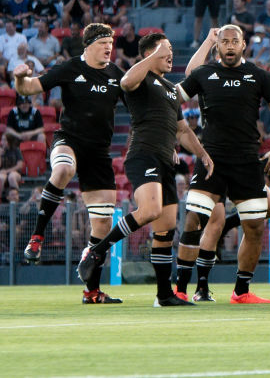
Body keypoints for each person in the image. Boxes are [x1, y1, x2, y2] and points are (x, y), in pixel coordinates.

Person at [77, 32, 212, 307]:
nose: (171, 54)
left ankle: (164, 295)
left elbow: (183, 130)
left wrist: (202, 154)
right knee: (150, 211)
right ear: (151, 52)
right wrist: (151, 57)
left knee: (165, 230)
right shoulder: (140, 78)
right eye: (167, 48)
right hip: (143, 155)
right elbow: (126, 82)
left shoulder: (172, 89)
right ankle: (95, 253)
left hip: (165, 161)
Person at [173, 26, 270, 303]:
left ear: (243, 46)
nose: (229, 46)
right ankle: (180, 289)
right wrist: (175, 134)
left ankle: (241, 291)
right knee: (194, 220)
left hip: (247, 162)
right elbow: (173, 99)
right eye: (224, 41)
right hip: (211, 159)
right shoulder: (203, 74)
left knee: (254, 227)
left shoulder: (258, 75)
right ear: (217, 47)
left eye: (234, 41)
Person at [13, 24, 126, 302]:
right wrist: (19, 79)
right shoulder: (69, 68)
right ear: (88, 45)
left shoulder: (115, 74)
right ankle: (36, 237)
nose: (109, 48)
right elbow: (29, 88)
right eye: (103, 43)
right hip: (69, 140)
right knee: (63, 169)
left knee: (100, 228)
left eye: (111, 43)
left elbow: (140, 101)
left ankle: (92, 292)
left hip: (99, 153)